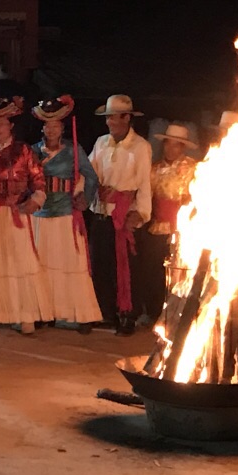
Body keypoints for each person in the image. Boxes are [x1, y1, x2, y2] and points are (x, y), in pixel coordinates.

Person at [32, 98, 100, 332]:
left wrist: (85, 199)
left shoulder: (73, 150)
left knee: (71, 263)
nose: (51, 129)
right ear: (42, 128)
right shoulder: (33, 151)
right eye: (47, 125)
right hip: (40, 215)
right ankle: (44, 312)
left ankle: (79, 315)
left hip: (65, 213)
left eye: (56, 125)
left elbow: (91, 176)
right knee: (42, 265)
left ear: (62, 128)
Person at [86, 93, 152, 336]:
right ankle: (105, 311)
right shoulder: (101, 143)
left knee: (126, 266)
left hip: (124, 213)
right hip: (102, 211)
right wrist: (90, 189)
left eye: (113, 117)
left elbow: (144, 184)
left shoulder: (140, 147)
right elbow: (89, 172)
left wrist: (141, 213)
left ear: (126, 118)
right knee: (101, 262)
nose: (109, 122)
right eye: (108, 118)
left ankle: (128, 314)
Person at [0, 96, 46, 335]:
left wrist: (36, 199)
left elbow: (38, 179)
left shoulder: (23, 150)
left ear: (11, 126)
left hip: (17, 213)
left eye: (2, 123)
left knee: (21, 262)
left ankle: (25, 314)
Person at [137, 123, 200, 327]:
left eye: (176, 146)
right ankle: (154, 312)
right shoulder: (154, 168)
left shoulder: (194, 169)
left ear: (182, 148)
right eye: (168, 145)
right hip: (157, 227)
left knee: (181, 272)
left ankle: (181, 314)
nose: (171, 149)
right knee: (153, 272)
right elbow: (148, 196)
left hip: (183, 230)